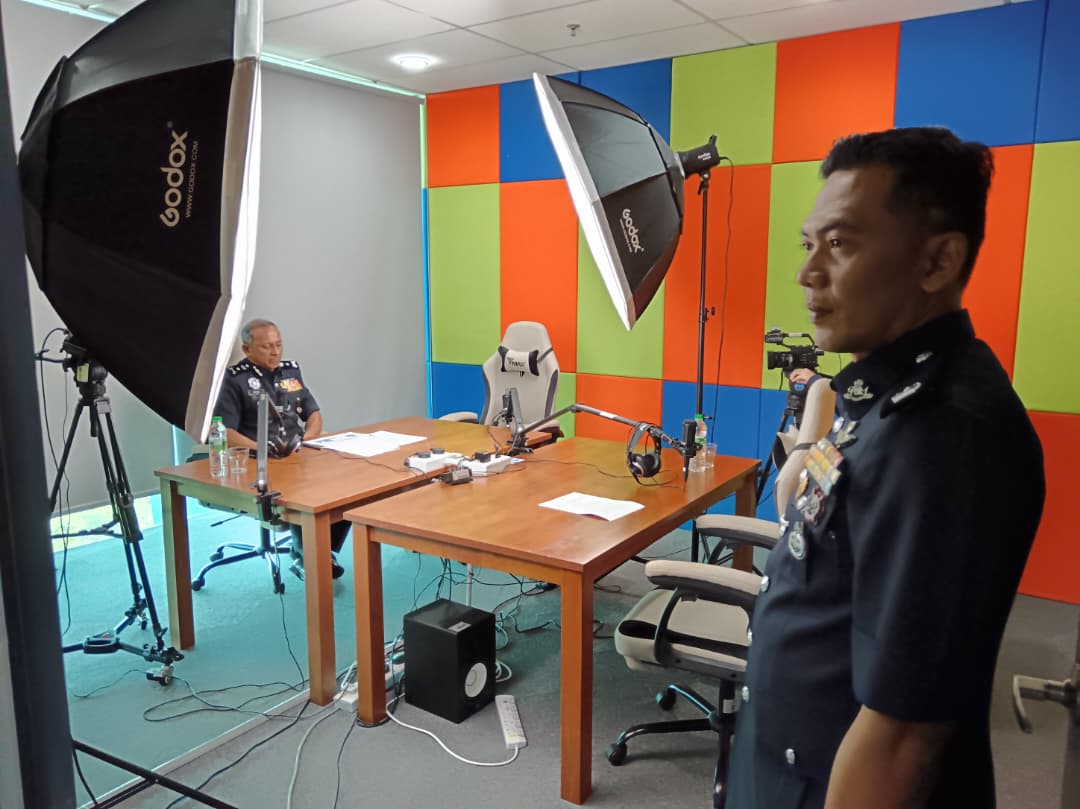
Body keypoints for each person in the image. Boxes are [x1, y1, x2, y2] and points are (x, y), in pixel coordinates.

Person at [726, 127, 1045, 809]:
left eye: (840, 243)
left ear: (937, 261)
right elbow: (808, 511)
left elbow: (902, 736)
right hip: (787, 766)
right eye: (809, 244)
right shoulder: (876, 395)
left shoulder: (944, 434)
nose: (808, 273)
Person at [214, 318, 349, 580]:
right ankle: (307, 556)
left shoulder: (290, 372)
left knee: (343, 485)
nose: (275, 352)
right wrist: (263, 449)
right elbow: (226, 432)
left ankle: (325, 549)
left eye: (278, 344)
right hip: (259, 460)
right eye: (267, 346)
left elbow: (314, 414)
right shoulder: (234, 380)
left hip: (297, 454)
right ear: (246, 349)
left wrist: (307, 439)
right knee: (304, 494)